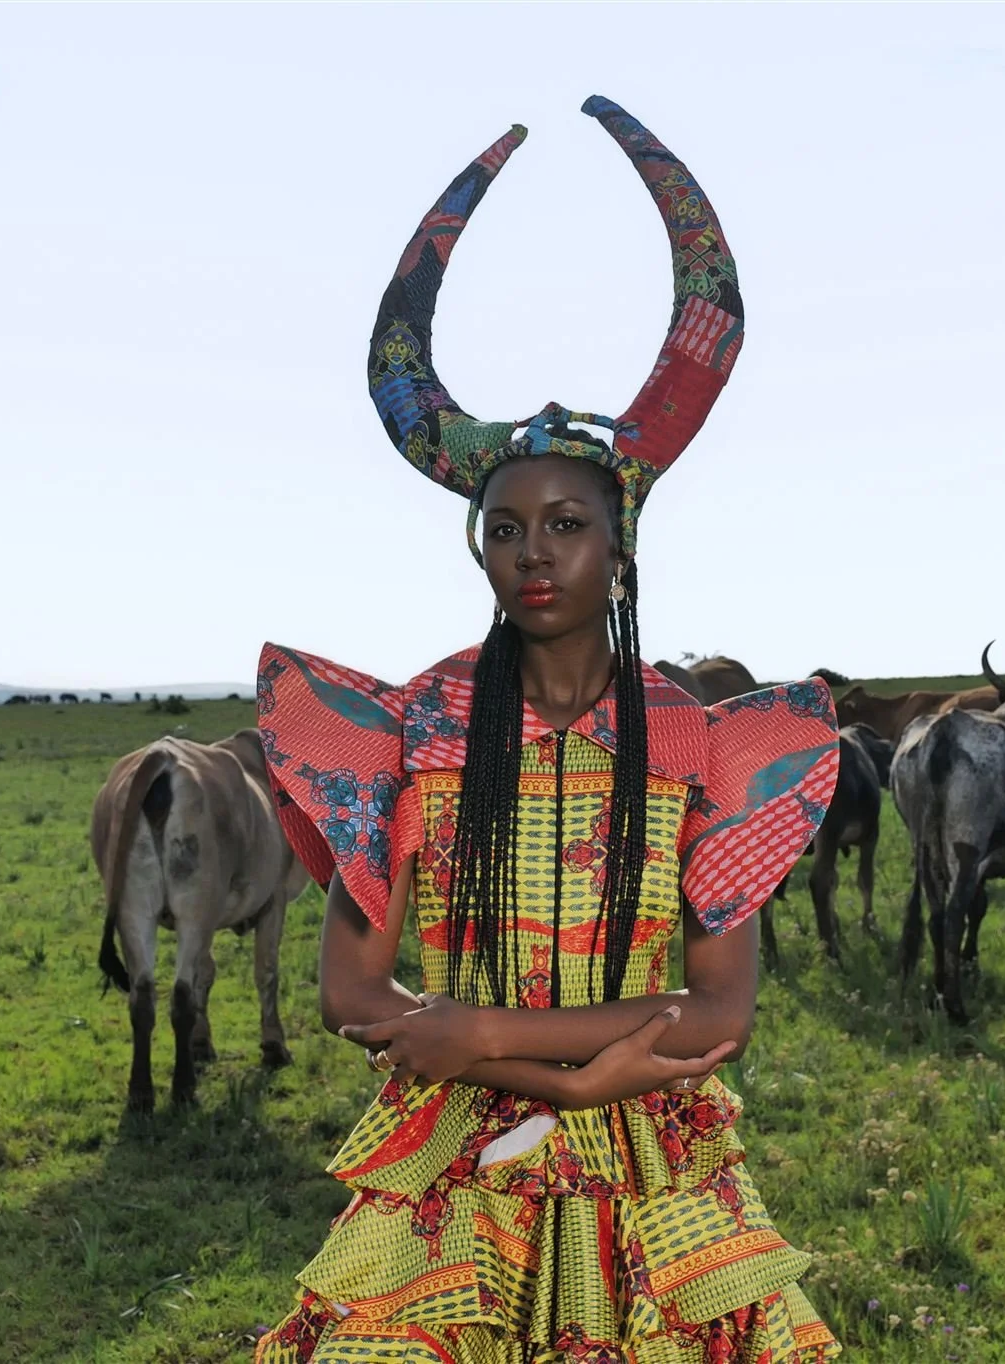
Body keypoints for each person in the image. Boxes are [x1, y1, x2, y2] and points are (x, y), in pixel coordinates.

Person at [254, 96, 840, 1364]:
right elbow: (354, 987)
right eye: (505, 525)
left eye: (565, 523)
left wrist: (487, 1039)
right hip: (457, 1168)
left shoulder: (694, 739)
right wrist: (572, 1070)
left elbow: (720, 1012)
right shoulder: (420, 727)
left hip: (654, 1173)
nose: (532, 553)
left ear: (616, 540)